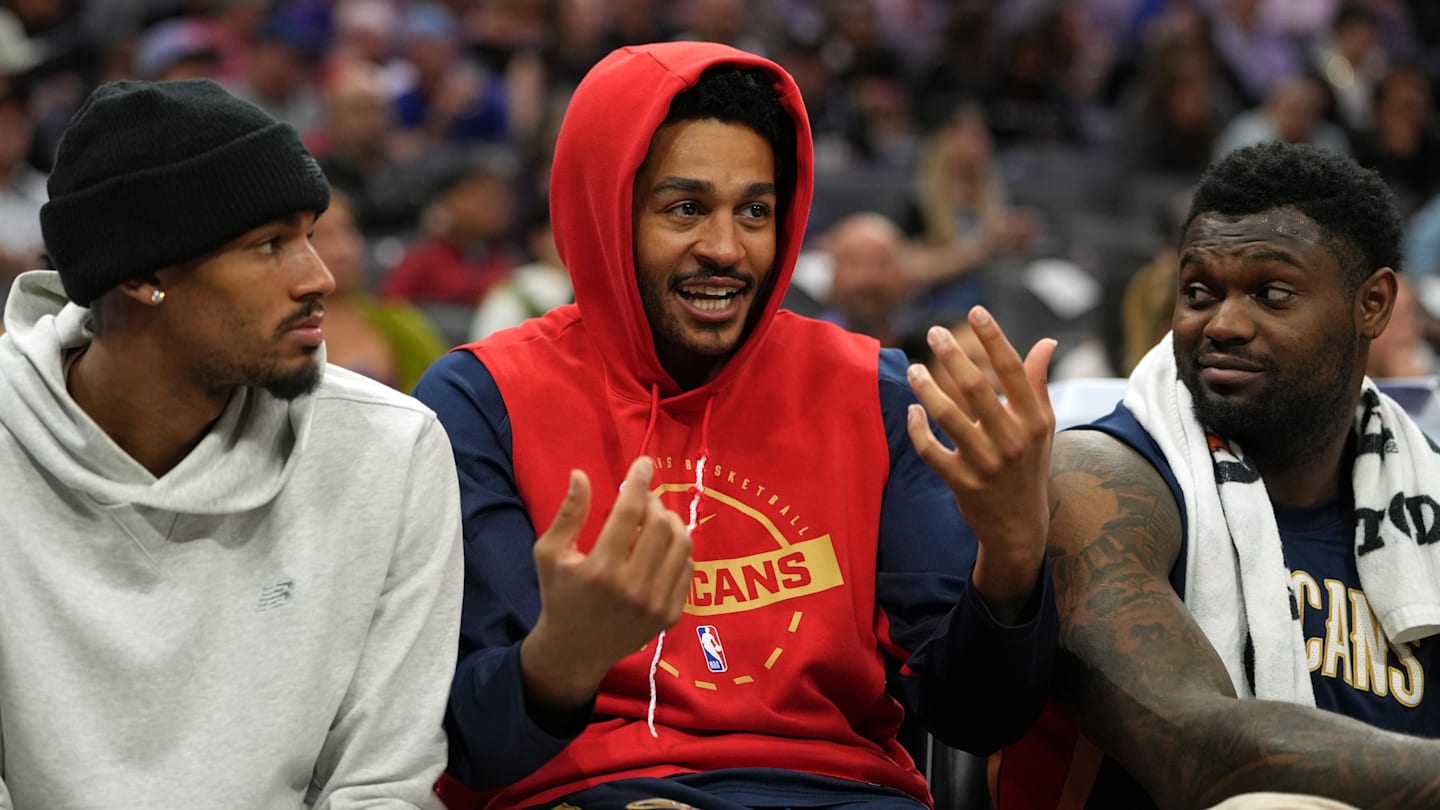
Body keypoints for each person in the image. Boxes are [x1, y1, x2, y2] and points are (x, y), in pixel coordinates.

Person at [415, 41, 1058, 810]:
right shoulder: (483, 398)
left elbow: (974, 717)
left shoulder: (875, 394)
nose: (726, 249)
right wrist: (564, 656)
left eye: (755, 210)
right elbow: (468, 746)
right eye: (685, 207)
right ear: (605, 212)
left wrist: (1013, 557)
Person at [0, 78, 463, 807]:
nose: (320, 277)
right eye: (270, 243)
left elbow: (383, 782)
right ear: (144, 273)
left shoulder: (390, 451)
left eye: (312, 233)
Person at [978, 142, 1440, 809]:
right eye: (1198, 291)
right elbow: (1198, 752)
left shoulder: (1421, 489)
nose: (1222, 324)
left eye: (1271, 295)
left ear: (1373, 304)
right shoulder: (1101, 480)